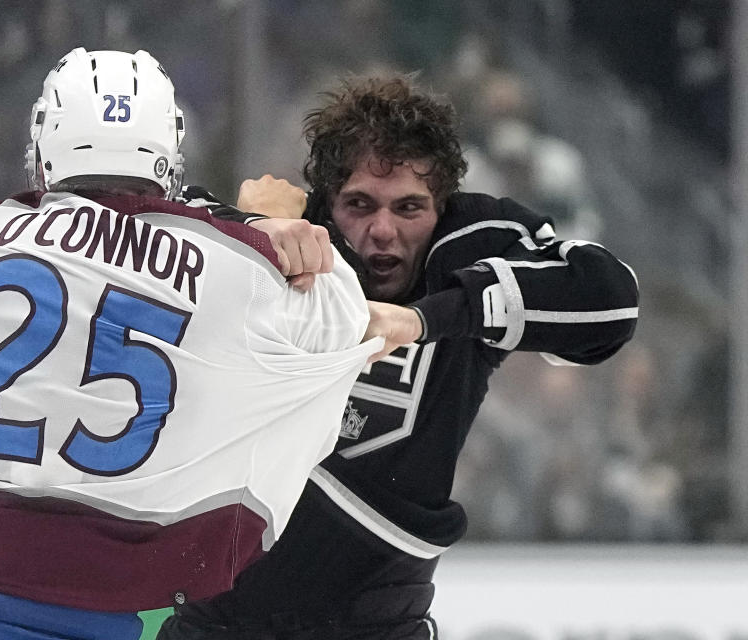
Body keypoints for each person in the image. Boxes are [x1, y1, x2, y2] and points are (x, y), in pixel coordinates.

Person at [0, 48, 404, 640]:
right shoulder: (229, 267)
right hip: (84, 611)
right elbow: (346, 315)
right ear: (170, 151)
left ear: (45, 143)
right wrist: (259, 223)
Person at [159, 76, 640, 639]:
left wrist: (426, 318)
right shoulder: (290, 234)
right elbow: (141, 236)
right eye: (359, 205)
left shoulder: (473, 240)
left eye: (410, 207)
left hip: (380, 617)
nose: (383, 230)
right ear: (326, 204)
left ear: (444, 206)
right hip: (219, 614)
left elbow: (611, 301)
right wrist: (251, 233)